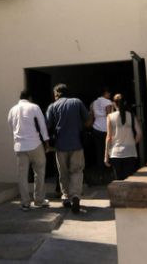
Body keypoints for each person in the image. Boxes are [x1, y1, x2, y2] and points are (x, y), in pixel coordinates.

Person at [46, 83, 92, 213]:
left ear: (57, 94)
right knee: (77, 171)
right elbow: (88, 121)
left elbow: (47, 125)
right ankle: (75, 195)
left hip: (60, 146)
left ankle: (66, 197)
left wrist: (47, 144)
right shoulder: (77, 102)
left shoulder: (52, 106)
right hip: (77, 144)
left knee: (63, 173)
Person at [7, 89, 50, 211]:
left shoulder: (12, 110)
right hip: (35, 144)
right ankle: (39, 200)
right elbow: (42, 126)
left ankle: (25, 203)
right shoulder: (34, 107)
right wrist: (47, 142)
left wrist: (16, 141)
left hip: (20, 147)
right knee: (39, 172)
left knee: (22, 176)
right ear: (30, 98)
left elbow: (11, 128)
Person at [104, 93, 142, 181]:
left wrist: (106, 155)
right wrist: (133, 143)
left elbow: (109, 137)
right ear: (125, 103)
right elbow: (139, 133)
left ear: (114, 103)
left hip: (116, 153)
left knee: (118, 181)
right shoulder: (131, 116)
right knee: (129, 180)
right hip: (130, 152)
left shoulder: (110, 116)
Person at [90, 87, 114, 168]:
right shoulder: (107, 101)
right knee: (108, 149)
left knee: (99, 150)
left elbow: (92, 114)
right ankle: (109, 167)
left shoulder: (94, 102)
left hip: (96, 128)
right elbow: (109, 115)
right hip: (106, 128)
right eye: (109, 93)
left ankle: (101, 169)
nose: (110, 95)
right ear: (106, 93)